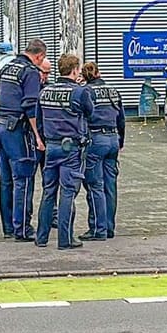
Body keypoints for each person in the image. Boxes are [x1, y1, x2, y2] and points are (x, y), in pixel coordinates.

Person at [34, 54, 93, 249]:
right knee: (67, 192)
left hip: (51, 146)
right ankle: (65, 239)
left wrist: (46, 138)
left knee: (48, 191)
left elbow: (39, 119)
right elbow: (90, 112)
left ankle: (41, 237)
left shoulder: (45, 92)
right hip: (71, 148)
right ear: (75, 70)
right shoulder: (79, 92)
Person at [0, 41, 48, 241]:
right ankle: (23, 229)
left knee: (6, 180)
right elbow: (30, 105)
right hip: (17, 129)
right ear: (39, 56)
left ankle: (8, 227)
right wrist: (37, 135)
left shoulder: (7, 67)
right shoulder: (30, 71)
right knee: (23, 179)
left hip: (0, 125)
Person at [81, 61, 125, 239]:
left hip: (95, 139)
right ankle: (109, 227)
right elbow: (121, 118)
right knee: (110, 186)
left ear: (84, 76)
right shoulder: (113, 91)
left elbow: (82, 117)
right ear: (99, 73)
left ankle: (97, 229)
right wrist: (120, 141)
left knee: (94, 186)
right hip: (113, 138)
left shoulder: (86, 92)